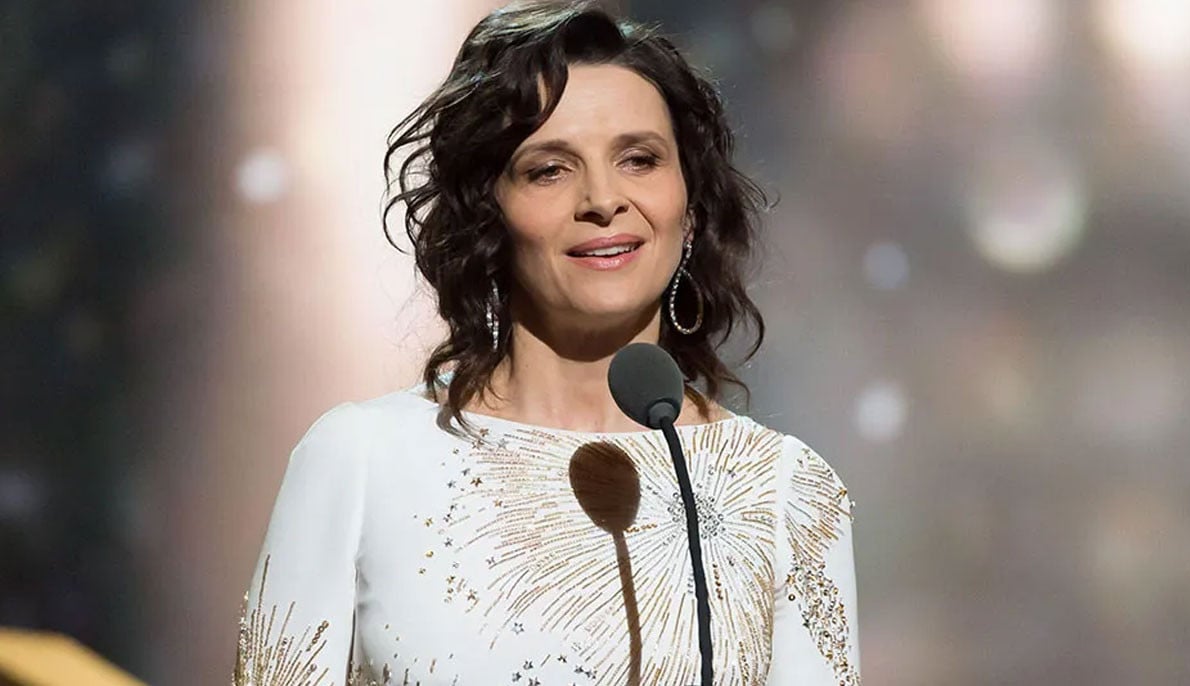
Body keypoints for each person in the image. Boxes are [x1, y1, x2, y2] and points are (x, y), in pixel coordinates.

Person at [233, 2, 859, 684]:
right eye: (549, 170)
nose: (603, 199)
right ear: (487, 214)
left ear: (691, 208)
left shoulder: (784, 490)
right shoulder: (360, 459)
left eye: (640, 160)